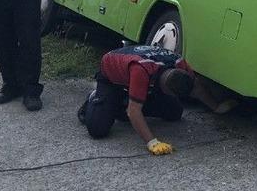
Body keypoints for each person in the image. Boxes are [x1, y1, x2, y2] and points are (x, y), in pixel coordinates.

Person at [78, 44, 237, 156]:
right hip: (112, 76)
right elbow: (134, 112)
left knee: (175, 112)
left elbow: (197, 88)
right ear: (164, 89)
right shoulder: (142, 71)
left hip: (146, 77)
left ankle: (123, 103)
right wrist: (152, 142)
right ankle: (96, 98)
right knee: (98, 129)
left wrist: (216, 107)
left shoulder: (179, 63)